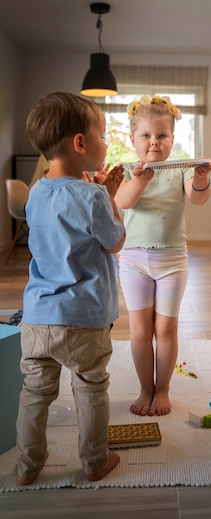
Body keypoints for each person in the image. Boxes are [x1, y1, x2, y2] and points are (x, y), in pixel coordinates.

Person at [16, 92, 126, 485]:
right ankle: (95, 461)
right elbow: (115, 241)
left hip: (37, 317)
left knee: (34, 392)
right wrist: (109, 196)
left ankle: (28, 466)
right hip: (83, 317)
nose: (107, 143)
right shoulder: (93, 195)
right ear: (80, 143)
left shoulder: (34, 196)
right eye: (103, 135)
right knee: (91, 388)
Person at [115, 95, 211, 417]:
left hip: (172, 262)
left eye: (162, 136)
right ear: (133, 140)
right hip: (133, 261)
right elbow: (125, 203)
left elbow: (197, 200)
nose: (154, 142)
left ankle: (163, 389)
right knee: (141, 330)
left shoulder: (181, 168)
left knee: (166, 329)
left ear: (173, 139)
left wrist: (200, 177)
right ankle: (146, 387)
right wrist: (139, 181)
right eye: (146, 136)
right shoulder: (127, 169)